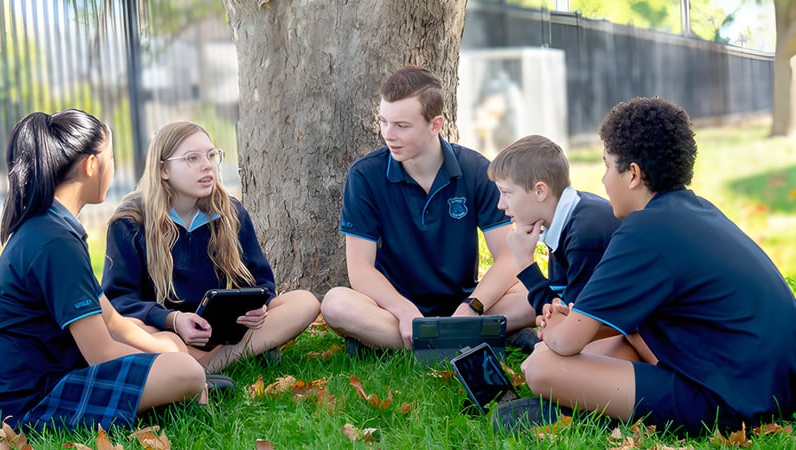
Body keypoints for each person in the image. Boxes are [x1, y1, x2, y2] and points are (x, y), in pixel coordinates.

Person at [494, 97, 796, 436]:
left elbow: (564, 344)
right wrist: (573, 320)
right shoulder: (695, 210)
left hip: (729, 399)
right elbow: (619, 322)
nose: (604, 180)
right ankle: (593, 403)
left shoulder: (643, 231)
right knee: (615, 344)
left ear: (633, 174)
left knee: (541, 366)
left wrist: (552, 328)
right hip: (770, 379)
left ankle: (583, 414)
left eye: (607, 166)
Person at [0, 110, 206, 431]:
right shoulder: (53, 240)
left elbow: (112, 320)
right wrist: (177, 368)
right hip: (33, 402)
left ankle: (178, 384)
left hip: (50, 377)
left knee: (170, 348)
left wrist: (167, 349)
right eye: (111, 157)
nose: (114, 167)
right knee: (187, 373)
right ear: (91, 165)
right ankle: (184, 388)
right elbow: (101, 352)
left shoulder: (53, 225)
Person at [320, 65, 535, 354]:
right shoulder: (364, 175)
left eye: (402, 126)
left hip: (464, 302)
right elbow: (360, 270)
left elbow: (508, 258)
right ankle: (471, 337)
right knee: (335, 303)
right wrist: (405, 310)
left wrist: (473, 306)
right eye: (383, 121)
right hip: (394, 310)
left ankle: (410, 342)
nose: (388, 134)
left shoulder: (475, 169)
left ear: (435, 125)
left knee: (537, 294)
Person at [101, 121, 320, 373]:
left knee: (305, 302)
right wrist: (172, 319)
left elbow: (261, 283)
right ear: (163, 170)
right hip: (168, 334)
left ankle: (209, 366)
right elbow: (118, 301)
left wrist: (257, 309)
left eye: (211, 155)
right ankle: (237, 355)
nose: (207, 165)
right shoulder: (130, 222)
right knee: (118, 330)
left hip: (227, 332)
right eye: (192, 158)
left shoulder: (231, 212)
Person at [487, 134, 620, 323]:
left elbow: (573, 324)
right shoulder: (568, 215)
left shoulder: (584, 235)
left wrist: (524, 262)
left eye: (506, 193)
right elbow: (559, 306)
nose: (500, 205)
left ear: (540, 191)